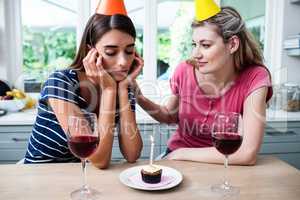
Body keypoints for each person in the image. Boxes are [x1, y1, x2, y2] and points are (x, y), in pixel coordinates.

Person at [135, 6, 272, 165]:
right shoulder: (184, 71)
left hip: (222, 163)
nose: (195, 54)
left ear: (233, 44)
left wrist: (181, 153)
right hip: (179, 159)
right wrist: (139, 96)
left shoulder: (255, 77)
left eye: (205, 45)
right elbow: (169, 115)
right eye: (195, 44)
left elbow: (247, 154)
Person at [24, 12, 144, 168]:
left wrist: (121, 89)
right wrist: (109, 91)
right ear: (91, 52)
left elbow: (132, 154)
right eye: (111, 52)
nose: (123, 62)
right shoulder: (60, 83)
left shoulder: (122, 85)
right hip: (42, 175)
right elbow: (98, 160)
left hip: (84, 177)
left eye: (129, 51)